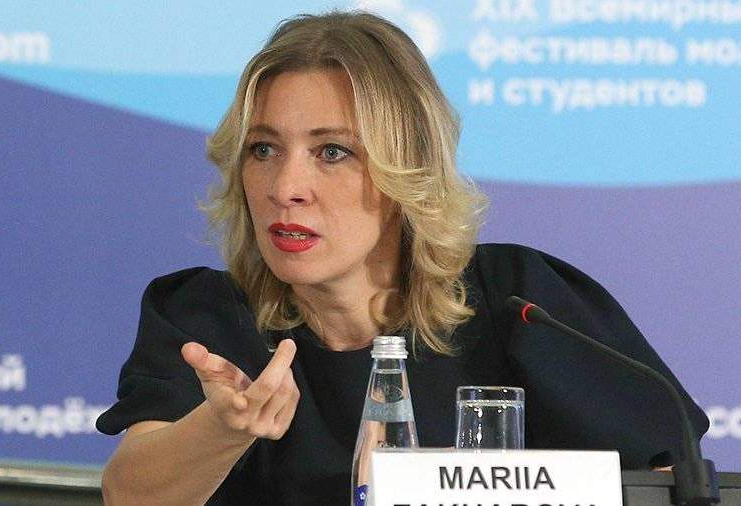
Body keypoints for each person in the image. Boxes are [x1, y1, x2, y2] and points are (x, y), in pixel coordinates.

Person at [96, 11, 709, 505]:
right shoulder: (206, 319)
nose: (285, 187)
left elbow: (665, 476)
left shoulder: (521, 302)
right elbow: (129, 495)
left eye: (332, 152)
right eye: (263, 149)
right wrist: (222, 428)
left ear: (406, 172)